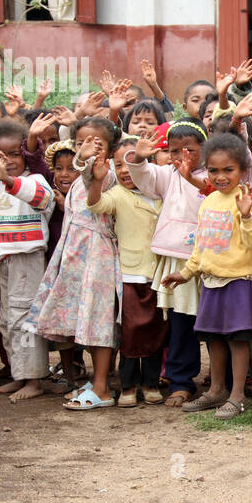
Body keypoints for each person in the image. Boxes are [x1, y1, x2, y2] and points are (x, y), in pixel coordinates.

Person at [164, 134, 252, 421]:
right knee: (214, 338)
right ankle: (217, 390)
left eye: (228, 170)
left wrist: (246, 216)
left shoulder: (250, 200)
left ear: (242, 170)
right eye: (214, 170)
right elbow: (202, 244)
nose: (220, 176)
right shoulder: (209, 200)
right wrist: (186, 272)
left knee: (237, 339)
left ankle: (237, 395)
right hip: (210, 281)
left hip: (238, 281)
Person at [27, 117, 122, 410]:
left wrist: (85, 158)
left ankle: (103, 389)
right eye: (82, 143)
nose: (89, 149)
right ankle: (96, 382)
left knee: (98, 321)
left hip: (98, 257)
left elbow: (89, 175)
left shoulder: (107, 174)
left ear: (110, 149)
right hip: (76, 256)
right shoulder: (80, 179)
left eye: (98, 144)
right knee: (85, 321)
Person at [126, 119, 208, 407]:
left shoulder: (213, 174)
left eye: (190, 150)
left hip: (206, 260)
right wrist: (139, 156)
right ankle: (181, 381)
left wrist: (191, 176)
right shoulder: (167, 175)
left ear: (205, 149)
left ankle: (222, 382)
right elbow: (144, 177)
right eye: (174, 151)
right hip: (174, 259)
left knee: (210, 323)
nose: (181, 157)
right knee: (180, 321)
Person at [89, 136, 166, 407]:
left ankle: (151, 382)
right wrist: (97, 180)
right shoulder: (118, 195)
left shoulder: (160, 192)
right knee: (132, 331)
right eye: (119, 164)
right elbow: (96, 205)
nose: (125, 170)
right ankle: (129, 384)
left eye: (132, 162)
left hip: (160, 274)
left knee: (157, 329)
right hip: (130, 274)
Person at [0, 118, 55, 402]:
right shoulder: (0, 187)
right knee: (7, 320)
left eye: (14, 154)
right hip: (6, 259)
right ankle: (19, 374)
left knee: (24, 318)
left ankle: (35, 378)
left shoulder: (32, 180)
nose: (7, 161)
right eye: (0, 156)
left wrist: (8, 180)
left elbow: (41, 199)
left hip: (27, 259)